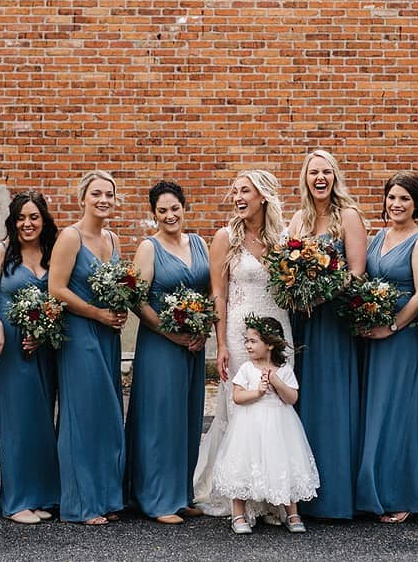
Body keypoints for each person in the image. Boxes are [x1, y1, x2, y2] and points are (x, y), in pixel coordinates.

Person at [192, 170, 293, 519]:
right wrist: (220, 344)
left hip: (278, 326)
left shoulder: (283, 238)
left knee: (277, 406)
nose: (237, 197)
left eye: (245, 191)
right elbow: (218, 294)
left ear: (262, 196)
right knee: (243, 407)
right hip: (238, 332)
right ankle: (243, 497)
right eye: (234, 191)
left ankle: (272, 493)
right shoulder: (224, 237)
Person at [286, 149, 367, 520]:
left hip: (333, 320)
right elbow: (285, 267)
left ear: (335, 177)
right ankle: (302, 495)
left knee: (333, 402)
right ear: (305, 178)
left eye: (326, 172)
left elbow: (356, 272)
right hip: (303, 321)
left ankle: (334, 496)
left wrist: (321, 294)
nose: (320, 178)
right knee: (304, 401)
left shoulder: (348, 216)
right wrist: (295, 293)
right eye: (313, 172)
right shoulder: (298, 220)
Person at [125, 181, 210, 524]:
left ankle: (181, 494)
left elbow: (209, 293)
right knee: (160, 419)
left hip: (193, 345)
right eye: (162, 211)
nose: (170, 215)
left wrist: (203, 329)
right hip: (161, 344)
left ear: (184, 208)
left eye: (175, 208)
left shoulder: (200, 243)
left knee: (188, 418)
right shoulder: (149, 247)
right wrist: (169, 331)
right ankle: (157, 499)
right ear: (154, 214)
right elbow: (137, 299)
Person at [48, 170, 128, 526]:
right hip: (80, 333)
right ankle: (81, 503)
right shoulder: (70, 237)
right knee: (82, 416)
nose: (103, 200)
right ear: (83, 198)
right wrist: (96, 312)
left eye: (109, 194)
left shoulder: (113, 237)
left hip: (108, 335)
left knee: (107, 415)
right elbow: (57, 288)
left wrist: (121, 306)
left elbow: (121, 283)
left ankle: (107, 496)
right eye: (96, 194)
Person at [355, 172, 418, 523]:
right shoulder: (377, 238)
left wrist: (392, 325)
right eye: (391, 198)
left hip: (402, 338)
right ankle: (372, 491)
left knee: (400, 412)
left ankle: (400, 494)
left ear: (416, 204)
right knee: (376, 413)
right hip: (374, 335)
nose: (396, 204)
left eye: (404, 198)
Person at [0, 191, 60, 525]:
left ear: (44, 220)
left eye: (34, 217)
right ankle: (16, 501)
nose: (28, 224)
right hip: (11, 347)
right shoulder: (0, 252)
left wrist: (45, 330)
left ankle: (41, 495)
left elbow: (61, 297)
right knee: (17, 423)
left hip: (46, 346)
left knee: (42, 421)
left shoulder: (54, 252)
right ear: (12, 222)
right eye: (21, 218)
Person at [212, 315, 319, 534]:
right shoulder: (246, 369)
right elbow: (237, 397)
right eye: (247, 340)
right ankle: (239, 513)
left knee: (284, 464)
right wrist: (257, 392)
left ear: (269, 344)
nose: (248, 345)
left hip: (280, 426)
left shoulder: (284, 369)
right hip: (249, 425)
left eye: (253, 341)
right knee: (243, 464)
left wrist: (277, 382)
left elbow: (292, 398)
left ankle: (291, 512)